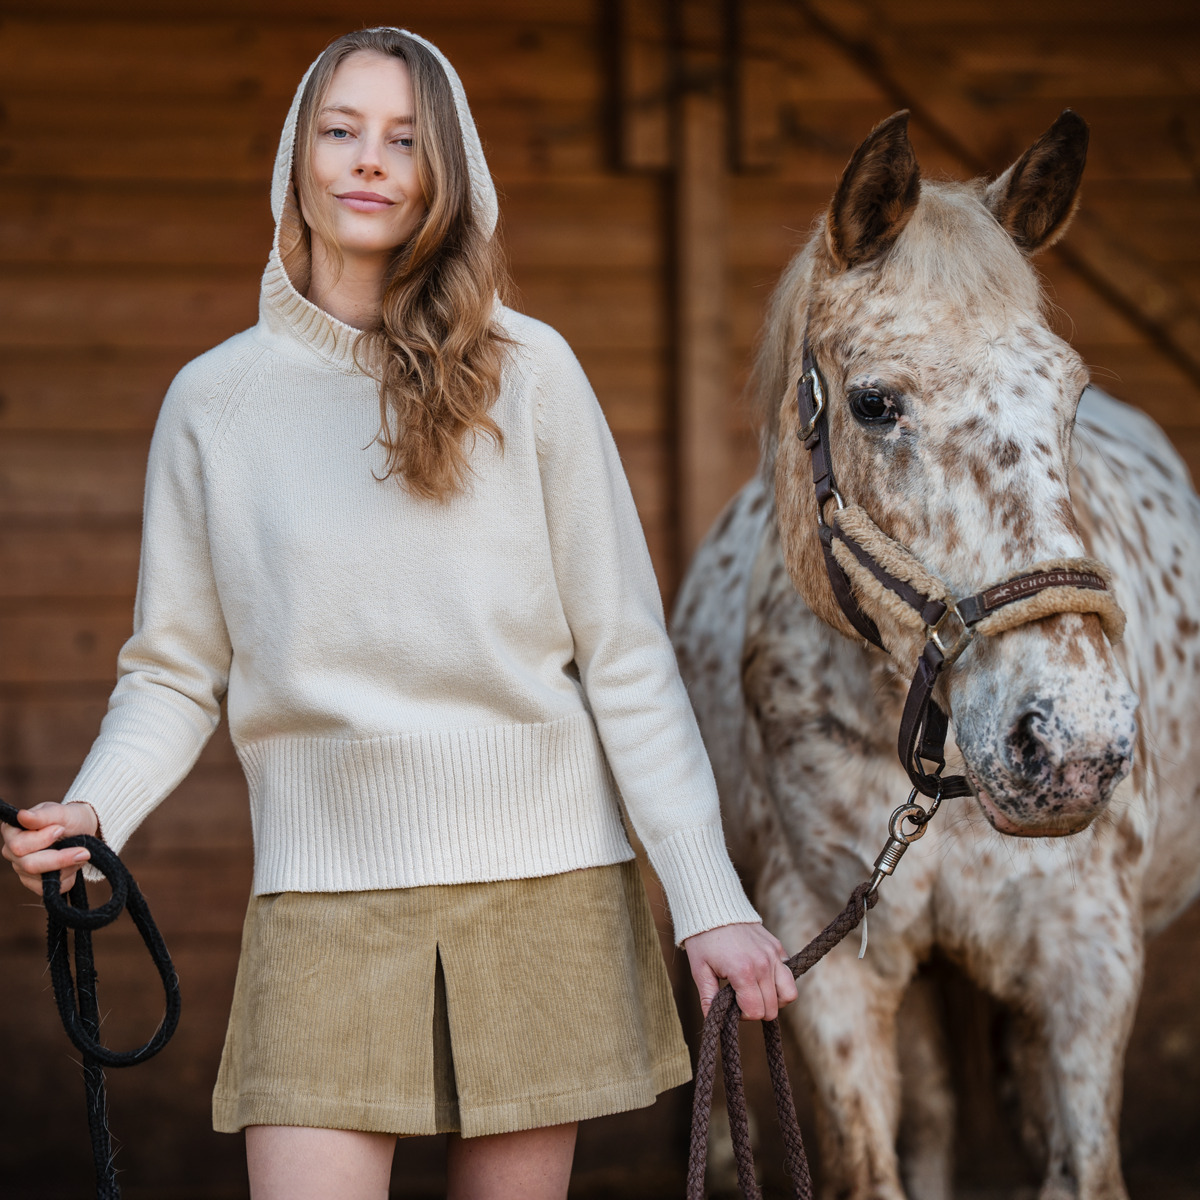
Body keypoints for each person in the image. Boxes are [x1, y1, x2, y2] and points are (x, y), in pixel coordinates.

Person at [1, 27, 796, 1200]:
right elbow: (174, 672)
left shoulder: (532, 375)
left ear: (445, 174)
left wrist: (707, 902)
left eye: (405, 139)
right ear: (297, 160)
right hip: (322, 899)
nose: (367, 162)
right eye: (340, 131)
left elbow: (626, 657)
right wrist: (95, 807)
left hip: (545, 888)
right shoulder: (215, 404)